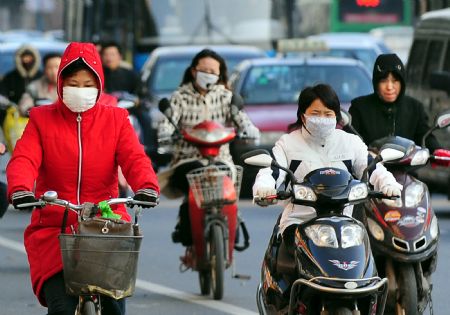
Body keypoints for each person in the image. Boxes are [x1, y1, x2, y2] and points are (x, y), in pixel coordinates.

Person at [6, 42, 160, 315]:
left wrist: (146, 186)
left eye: (87, 83)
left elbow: (135, 158)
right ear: (60, 82)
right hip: (54, 227)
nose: (80, 89)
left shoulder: (116, 119)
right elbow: (24, 159)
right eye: (73, 82)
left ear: (99, 85)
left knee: (114, 307)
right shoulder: (41, 119)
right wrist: (20, 189)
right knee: (62, 308)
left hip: (107, 225)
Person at [252, 84, 402, 306]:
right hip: (299, 222)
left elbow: (372, 169)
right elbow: (272, 171)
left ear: (337, 116)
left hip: (346, 224)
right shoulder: (288, 143)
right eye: (315, 113)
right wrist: (264, 188)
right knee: (286, 268)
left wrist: (389, 184)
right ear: (303, 116)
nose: (322, 118)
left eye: (327, 113)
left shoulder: (350, 142)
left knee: (368, 268)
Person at [157, 48, 259, 246]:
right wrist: (166, 133)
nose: (208, 75)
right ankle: (185, 222)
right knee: (192, 177)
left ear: (220, 74)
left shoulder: (227, 97)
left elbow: (243, 121)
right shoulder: (179, 97)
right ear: (194, 71)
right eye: (204, 70)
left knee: (230, 184)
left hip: (222, 159)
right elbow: (167, 123)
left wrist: (249, 131)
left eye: (213, 72)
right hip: (188, 159)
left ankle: (232, 222)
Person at [349, 53, 442, 154]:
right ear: (376, 82)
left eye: (395, 81)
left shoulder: (415, 108)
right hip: (369, 167)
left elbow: (426, 137)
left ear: (402, 82)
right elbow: (349, 141)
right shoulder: (359, 107)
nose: (389, 87)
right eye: (384, 81)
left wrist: (438, 151)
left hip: (406, 167)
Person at [100, 41, 153, 156]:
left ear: (120, 56)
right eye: (106, 55)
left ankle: (149, 150)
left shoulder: (130, 74)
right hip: (105, 111)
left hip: (129, 109)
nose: (109, 58)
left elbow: (142, 93)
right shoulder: (98, 75)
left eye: (112, 54)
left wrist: (137, 100)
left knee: (146, 118)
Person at [2, 53, 62, 152]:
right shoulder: (35, 86)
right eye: (49, 67)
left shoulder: (71, 85)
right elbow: (25, 104)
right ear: (45, 70)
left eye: (57, 67)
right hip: (43, 133)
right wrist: (31, 110)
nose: (54, 71)